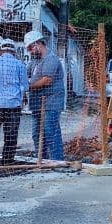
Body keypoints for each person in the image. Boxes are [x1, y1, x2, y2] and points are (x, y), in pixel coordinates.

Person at [24, 29, 65, 161]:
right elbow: (26, 75)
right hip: (37, 103)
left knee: (50, 131)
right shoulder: (35, 61)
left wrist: (28, 86)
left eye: (30, 48)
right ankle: (42, 159)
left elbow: (47, 80)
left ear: (37, 44)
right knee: (37, 134)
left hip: (51, 102)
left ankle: (57, 161)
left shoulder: (51, 59)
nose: (30, 51)